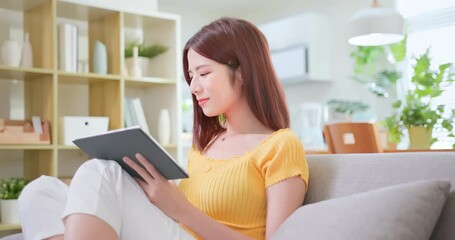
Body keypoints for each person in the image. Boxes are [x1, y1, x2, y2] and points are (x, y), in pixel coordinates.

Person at [18, 17, 309, 240]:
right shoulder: (206, 144)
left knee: (99, 171)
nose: (194, 87)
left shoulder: (280, 145)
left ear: (243, 71)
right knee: (40, 191)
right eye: (191, 76)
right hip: (172, 228)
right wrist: (158, 193)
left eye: (204, 73)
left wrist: (180, 208)